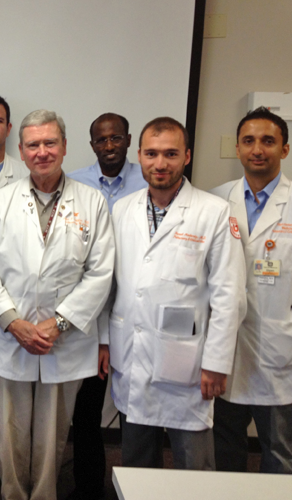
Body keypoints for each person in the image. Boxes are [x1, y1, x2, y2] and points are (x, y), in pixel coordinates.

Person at [0, 110, 114, 500]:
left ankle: (45, 495)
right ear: (21, 150)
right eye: (33, 145)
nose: (42, 152)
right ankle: (13, 495)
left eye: (50, 143)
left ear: (64, 147)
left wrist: (59, 324)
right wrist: (14, 323)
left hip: (63, 341)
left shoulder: (93, 202)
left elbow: (101, 273)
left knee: (54, 435)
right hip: (9, 337)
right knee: (9, 433)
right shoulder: (1, 201)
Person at [106, 117, 246, 470]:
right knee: (136, 460)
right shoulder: (123, 210)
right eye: (151, 154)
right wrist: (103, 341)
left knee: (193, 464)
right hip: (133, 352)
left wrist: (216, 363)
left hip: (188, 360)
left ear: (186, 156)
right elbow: (108, 283)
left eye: (170, 153)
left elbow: (229, 295)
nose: (160, 164)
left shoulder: (213, 212)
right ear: (139, 156)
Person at [211, 107, 292, 474]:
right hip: (227, 351)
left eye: (268, 140)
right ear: (238, 147)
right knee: (224, 446)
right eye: (248, 141)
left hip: (281, 347)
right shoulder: (216, 201)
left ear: (285, 149)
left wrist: (285, 305)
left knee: (278, 452)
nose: (257, 149)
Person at [67, 112, 147, 500]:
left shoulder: (150, 179)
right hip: (90, 313)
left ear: (129, 140)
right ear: (92, 144)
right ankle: (88, 490)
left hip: (140, 311)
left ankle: (141, 487)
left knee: (142, 415)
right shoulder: (75, 184)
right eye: (101, 140)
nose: (110, 146)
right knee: (86, 416)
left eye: (116, 138)